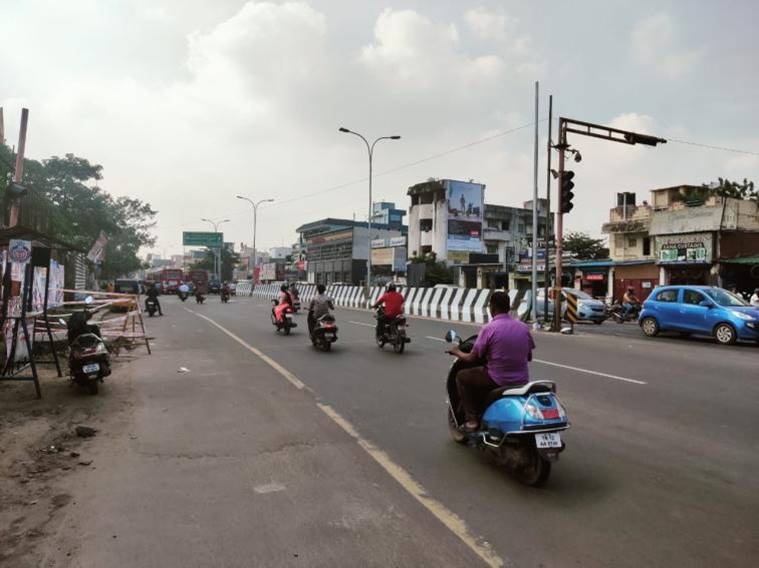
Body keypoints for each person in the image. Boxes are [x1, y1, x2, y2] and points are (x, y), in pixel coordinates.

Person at [448, 292, 534, 432]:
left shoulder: (489, 329)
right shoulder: (523, 328)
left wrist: (456, 351)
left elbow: (471, 358)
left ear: (492, 308)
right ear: (508, 307)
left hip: (497, 379)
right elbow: (529, 357)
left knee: (461, 376)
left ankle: (472, 420)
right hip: (521, 380)